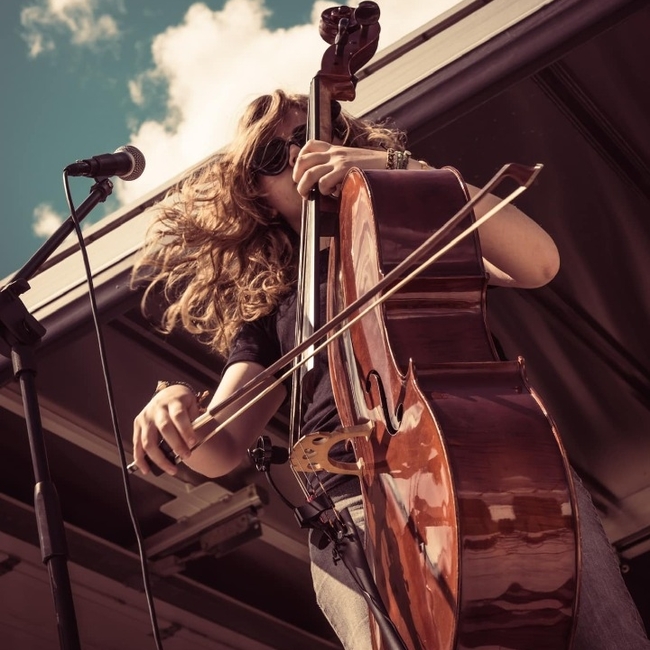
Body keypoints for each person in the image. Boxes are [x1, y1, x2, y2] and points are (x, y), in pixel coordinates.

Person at [131, 90, 649, 649]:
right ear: (257, 192)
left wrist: (399, 169)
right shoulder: (275, 305)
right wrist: (174, 404)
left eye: (308, 136)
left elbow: (539, 263)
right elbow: (221, 446)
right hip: (359, 510)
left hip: (492, 466)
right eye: (272, 156)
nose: (298, 155)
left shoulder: (412, 227)